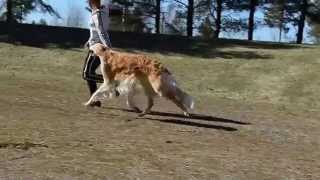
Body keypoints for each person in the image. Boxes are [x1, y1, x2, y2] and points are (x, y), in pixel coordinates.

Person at [82, 0, 112, 107]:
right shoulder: (99, 12)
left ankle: (112, 82)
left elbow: (102, 32)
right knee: (89, 73)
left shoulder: (98, 14)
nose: (88, 3)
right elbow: (95, 30)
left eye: (90, 1)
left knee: (87, 74)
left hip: (98, 48)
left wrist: (108, 49)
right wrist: (89, 40)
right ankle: (94, 99)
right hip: (94, 45)